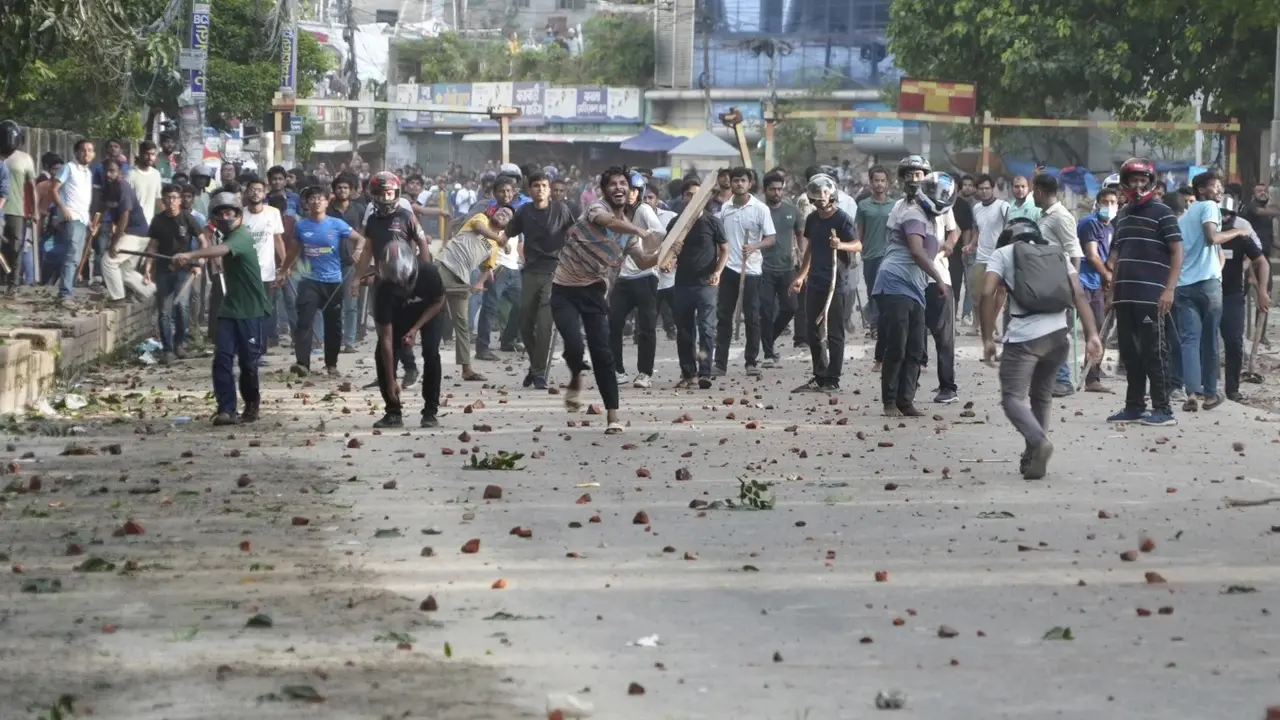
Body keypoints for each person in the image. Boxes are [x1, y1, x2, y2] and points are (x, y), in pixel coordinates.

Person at [981, 218, 1102, 479]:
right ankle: (1032, 455)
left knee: (1012, 398)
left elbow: (987, 292)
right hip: (1058, 337)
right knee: (1042, 396)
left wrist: (987, 338)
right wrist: (1092, 334)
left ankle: (1039, 442)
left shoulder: (1003, 253)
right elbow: (1079, 294)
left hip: (1024, 339)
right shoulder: (1057, 254)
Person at [551, 166, 662, 433]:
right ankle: (576, 376)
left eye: (623, 183)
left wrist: (667, 254)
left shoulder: (628, 234)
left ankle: (613, 417)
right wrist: (641, 231)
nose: (618, 187)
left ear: (631, 191)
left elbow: (643, 261)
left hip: (595, 293)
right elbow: (608, 222)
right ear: (604, 190)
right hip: (564, 290)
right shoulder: (596, 208)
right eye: (612, 184)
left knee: (603, 355)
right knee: (574, 346)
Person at [171, 190, 271, 426]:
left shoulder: (241, 236)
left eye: (230, 213)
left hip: (252, 310)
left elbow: (222, 250)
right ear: (214, 217)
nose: (226, 217)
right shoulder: (222, 237)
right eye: (221, 213)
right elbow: (212, 251)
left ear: (238, 215)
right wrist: (189, 260)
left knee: (248, 364)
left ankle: (252, 404)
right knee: (222, 359)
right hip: (230, 309)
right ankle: (226, 409)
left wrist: (190, 253)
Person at [1104, 158, 1183, 427]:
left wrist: (1169, 289)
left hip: (1152, 297)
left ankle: (1163, 409)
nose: (1138, 186)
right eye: (1133, 181)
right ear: (1125, 184)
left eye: (1142, 181)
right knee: (1130, 354)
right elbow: (1118, 256)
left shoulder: (1163, 213)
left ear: (1150, 183)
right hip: (1125, 296)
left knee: (1155, 352)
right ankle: (1134, 406)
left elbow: (1177, 251)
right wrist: (1111, 293)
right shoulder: (1123, 215)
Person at [874, 172, 954, 417]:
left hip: (915, 287)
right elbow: (917, 252)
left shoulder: (930, 219)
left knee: (915, 348)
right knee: (897, 345)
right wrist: (939, 279)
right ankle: (890, 401)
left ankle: (905, 401)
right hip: (895, 282)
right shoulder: (913, 214)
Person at [280, 185, 368, 376]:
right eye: (312, 198)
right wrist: (284, 270)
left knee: (333, 324)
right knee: (304, 321)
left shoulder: (337, 224)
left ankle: (331, 364)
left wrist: (357, 251)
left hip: (333, 281)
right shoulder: (301, 226)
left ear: (327, 202)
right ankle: (302, 364)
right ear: (306, 203)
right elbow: (293, 251)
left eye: (320, 198)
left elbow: (360, 239)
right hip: (309, 280)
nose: (316, 202)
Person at [355, 172, 430, 387]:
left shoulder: (407, 217)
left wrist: (424, 271)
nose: (385, 198)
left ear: (396, 193)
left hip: (405, 281)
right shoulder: (372, 220)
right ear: (373, 195)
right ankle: (386, 375)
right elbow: (367, 250)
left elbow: (422, 242)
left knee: (399, 329)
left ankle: (410, 368)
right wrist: (357, 277)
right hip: (381, 280)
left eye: (389, 193)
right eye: (381, 194)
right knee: (383, 331)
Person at [790, 174, 860, 393]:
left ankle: (833, 379)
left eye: (825, 193)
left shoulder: (842, 219)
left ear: (832, 195)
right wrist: (801, 276)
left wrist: (841, 245)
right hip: (816, 281)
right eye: (817, 195)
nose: (821, 198)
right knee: (813, 329)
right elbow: (810, 248)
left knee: (834, 332)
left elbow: (857, 245)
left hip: (836, 282)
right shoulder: (812, 219)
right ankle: (820, 375)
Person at [368, 239, 447, 429]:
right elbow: (386, 339)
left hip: (429, 313)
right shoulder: (382, 290)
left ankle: (430, 411)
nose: (401, 287)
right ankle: (393, 412)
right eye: (396, 285)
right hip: (399, 315)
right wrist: (390, 381)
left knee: (431, 353)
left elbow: (439, 301)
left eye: (405, 281)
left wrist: (415, 328)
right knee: (382, 355)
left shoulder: (429, 273)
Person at [509, 170, 574, 390]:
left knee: (545, 323)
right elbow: (507, 232)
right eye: (536, 186)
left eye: (544, 186)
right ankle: (535, 365)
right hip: (531, 272)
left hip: (555, 272)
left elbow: (574, 232)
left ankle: (538, 373)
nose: (541, 190)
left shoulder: (561, 209)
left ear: (549, 189)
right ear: (530, 190)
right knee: (525, 323)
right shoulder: (524, 212)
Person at [663, 178, 728, 389]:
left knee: (706, 328)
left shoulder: (712, 222)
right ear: (683, 197)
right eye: (689, 194)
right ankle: (688, 373)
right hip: (682, 284)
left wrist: (718, 272)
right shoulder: (675, 224)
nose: (693, 198)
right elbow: (667, 255)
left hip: (706, 284)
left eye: (697, 194)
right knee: (684, 331)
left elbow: (725, 250)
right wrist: (671, 258)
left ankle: (705, 373)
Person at [437, 202, 512, 382]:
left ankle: (467, 369)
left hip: (461, 279)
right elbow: (479, 228)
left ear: (508, 225)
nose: (503, 214)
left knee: (462, 325)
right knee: (425, 308)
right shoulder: (481, 219)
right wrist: (500, 239)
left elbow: (487, 268)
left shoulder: (494, 247)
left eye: (508, 215)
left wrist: (479, 283)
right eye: (502, 211)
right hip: (444, 267)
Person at [714, 166, 777, 377]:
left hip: (751, 271)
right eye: (735, 180)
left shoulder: (760, 209)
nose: (739, 184)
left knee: (752, 317)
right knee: (724, 317)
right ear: (730, 183)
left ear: (750, 184)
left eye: (743, 180)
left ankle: (751, 361)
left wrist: (754, 246)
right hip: (728, 269)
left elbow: (771, 238)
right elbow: (720, 240)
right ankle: (720, 363)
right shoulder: (725, 209)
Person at [609, 169, 667, 389]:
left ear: (640, 192)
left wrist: (649, 250)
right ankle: (617, 370)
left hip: (645, 276)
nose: (630, 194)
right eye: (627, 189)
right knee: (613, 323)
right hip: (621, 277)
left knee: (646, 327)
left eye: (634, 190)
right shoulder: (612, 211)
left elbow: (660, 233)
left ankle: (645, 373)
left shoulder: (643, 210)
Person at [144, 183, 205, 362]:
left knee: (182, 307)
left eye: (175, 198)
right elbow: (153, 246)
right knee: (164, 311)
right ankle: (167, 349)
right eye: (168, 198)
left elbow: (203, 241)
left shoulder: (187, 218)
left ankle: (180, 343)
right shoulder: (158, 220)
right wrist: (148, 267)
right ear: (163, 200)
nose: (172, 201)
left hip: (184, 269)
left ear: (180, 201)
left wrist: (199, 261)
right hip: (163, 269)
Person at [94, 159, 156, 305]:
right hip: (134, 234)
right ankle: (152, 291)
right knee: (124, 272)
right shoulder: (107, 188)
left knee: (108, 261)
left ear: (120, 173)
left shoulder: (123, 187)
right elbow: (102, 208)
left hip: (135, 233)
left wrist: (114, 243)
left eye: (112, 171)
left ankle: (118, 298)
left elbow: (124, 218)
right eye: (106, 171)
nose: (108, 174)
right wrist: (95, 223)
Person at [1077, 188, 1119, 393]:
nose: (1109, 206)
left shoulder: (1110, 227)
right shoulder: (1090, 223)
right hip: (1082, 281)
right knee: (1086, 329)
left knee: (1099, 328)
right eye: (1105, 202)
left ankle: (1092, 375)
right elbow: (1092, 255)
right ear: (1098, 203)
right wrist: (1107, 275)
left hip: (1096, 284)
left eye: (1113, 202)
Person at [760, 171, 803, 367]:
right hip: (763, 268)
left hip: (787, 267)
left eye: (779, 189)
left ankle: (768, 339)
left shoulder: (791, 210)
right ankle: (768, 353)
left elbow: (800, 233)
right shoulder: (759, 211)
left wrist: (802, 254)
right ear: (765, 190)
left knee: (791, 307)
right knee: (766, 311)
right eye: (772, 189)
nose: (777, 193)